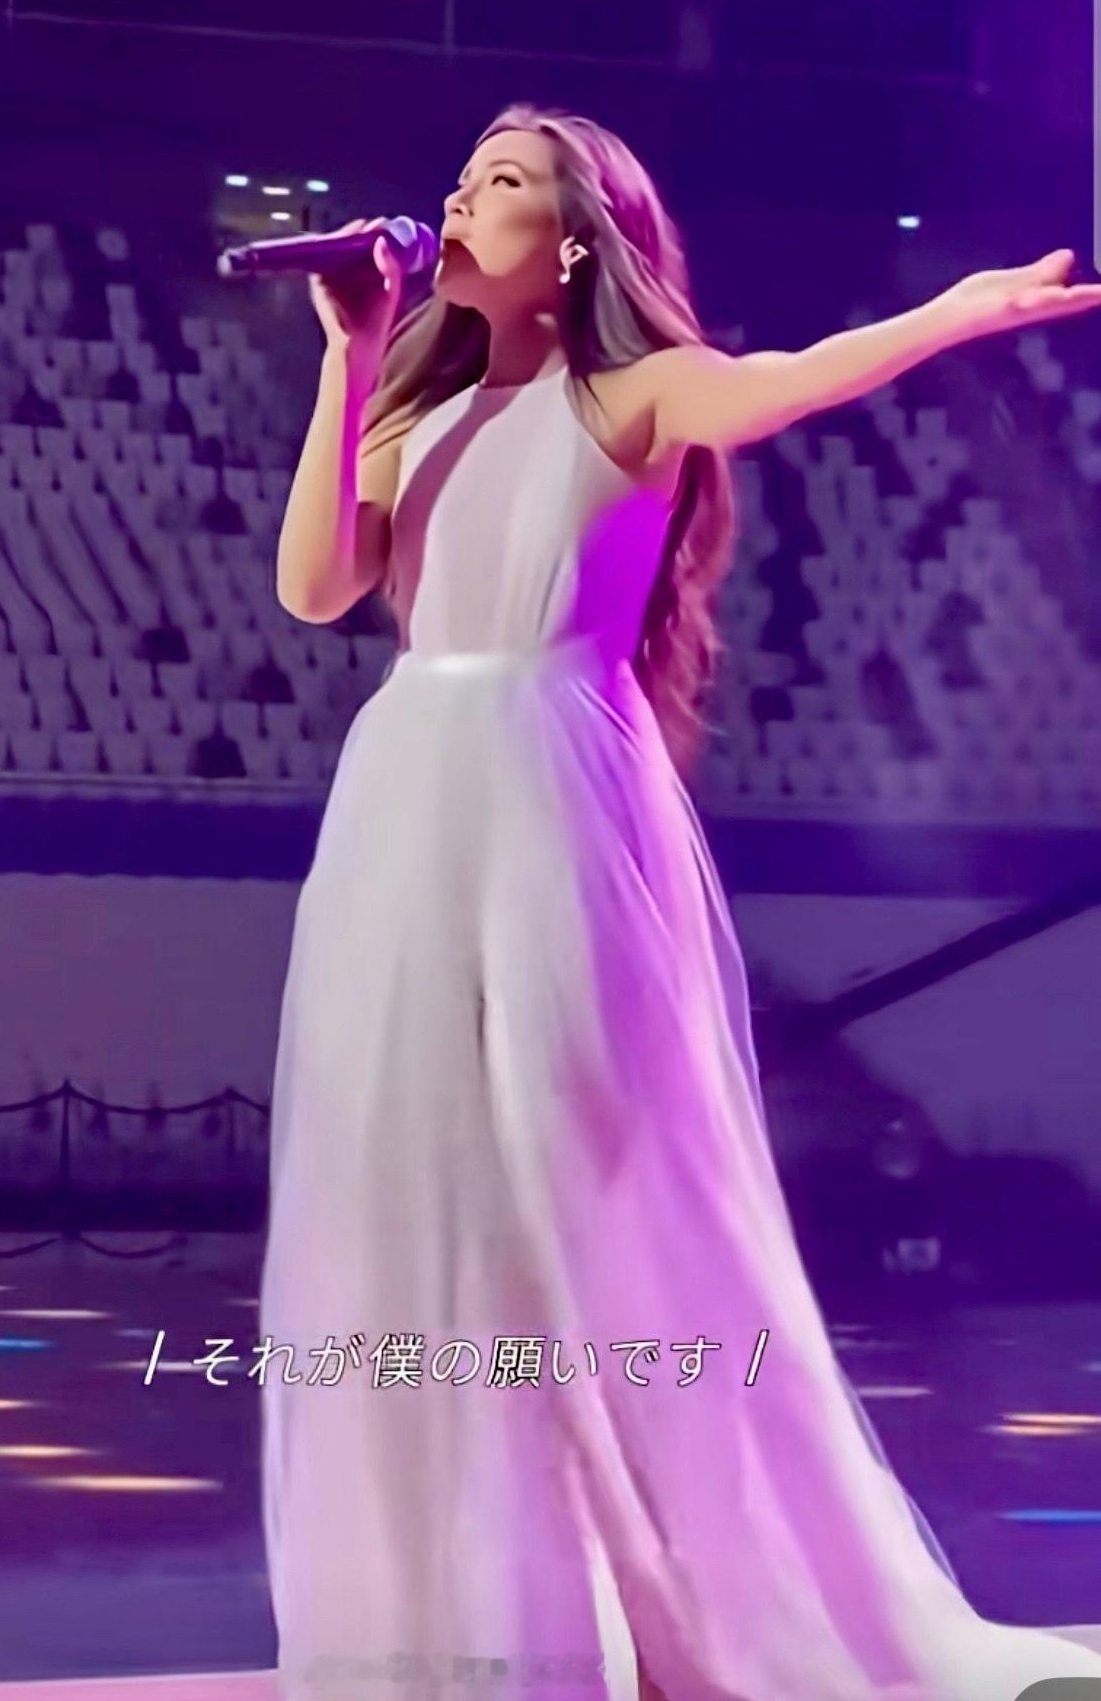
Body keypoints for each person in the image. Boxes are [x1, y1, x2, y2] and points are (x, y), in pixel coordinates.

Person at [257, 102, 1101, 1701]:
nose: (461, 201)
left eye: (503, 183)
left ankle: (671, 1614)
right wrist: (348, 355)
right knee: (427, 1205)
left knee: (577, 1206)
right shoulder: (410, 413)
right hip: (408, 805)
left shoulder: (630, 396)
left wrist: (951, 310)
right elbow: (315, 587)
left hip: (549, 804)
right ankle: (500, 1620)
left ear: (575, 244)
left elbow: (791, 381)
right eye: (463, 178)